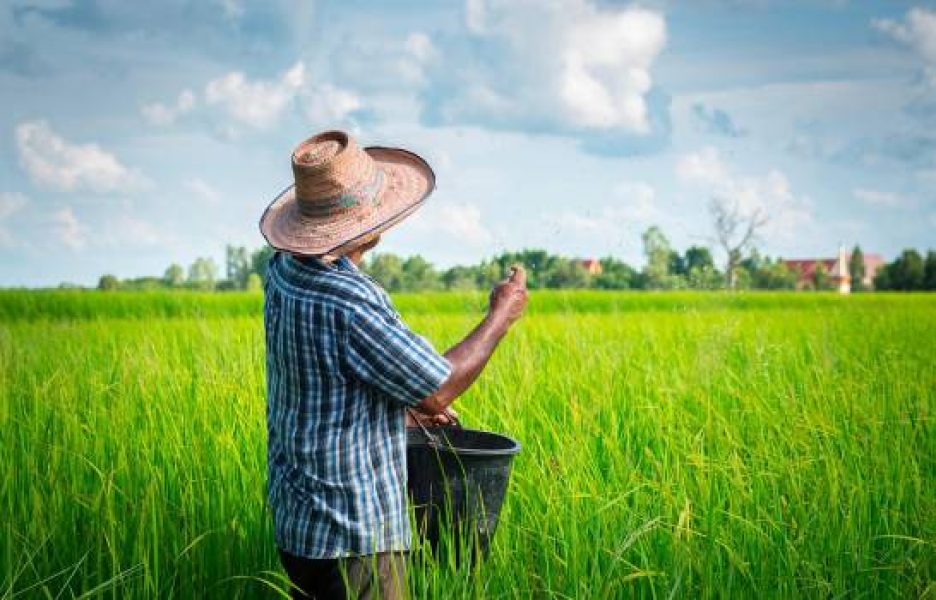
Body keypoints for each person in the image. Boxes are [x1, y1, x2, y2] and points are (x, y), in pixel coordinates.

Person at [258, 130, 527, 599]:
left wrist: (401, 412)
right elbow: (438, 388)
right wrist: (501, 315)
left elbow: (322, 383)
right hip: (353, 535)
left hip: (299, 521)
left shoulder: (284, 269)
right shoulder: (348, 300)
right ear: (362, 221)